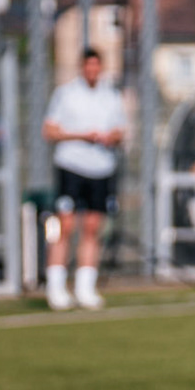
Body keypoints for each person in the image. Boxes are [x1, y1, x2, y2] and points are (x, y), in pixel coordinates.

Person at [42, 49, 127, 311]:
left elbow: (120, 132)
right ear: (82, 67)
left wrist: (108, 138)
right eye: (88, 66)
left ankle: (85, 287)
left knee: (92, 228)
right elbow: (50, 130)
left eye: (96, 66)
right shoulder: (66, 94)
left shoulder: (111, 95)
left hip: (101, 169)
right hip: (72, 166)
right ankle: (55, 286)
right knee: (65, 226)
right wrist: (80, 136)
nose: (92, 71)